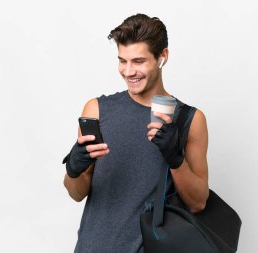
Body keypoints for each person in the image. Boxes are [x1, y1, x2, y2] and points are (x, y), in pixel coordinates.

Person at [62, 13, 209, 253]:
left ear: (163, 57)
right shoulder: (97, 109)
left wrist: (176, 159)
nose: (128, 72)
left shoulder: (190, 120)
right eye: (122, 61)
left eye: (138, 61)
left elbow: (198, 203)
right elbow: (76, 193)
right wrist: (73, 170)